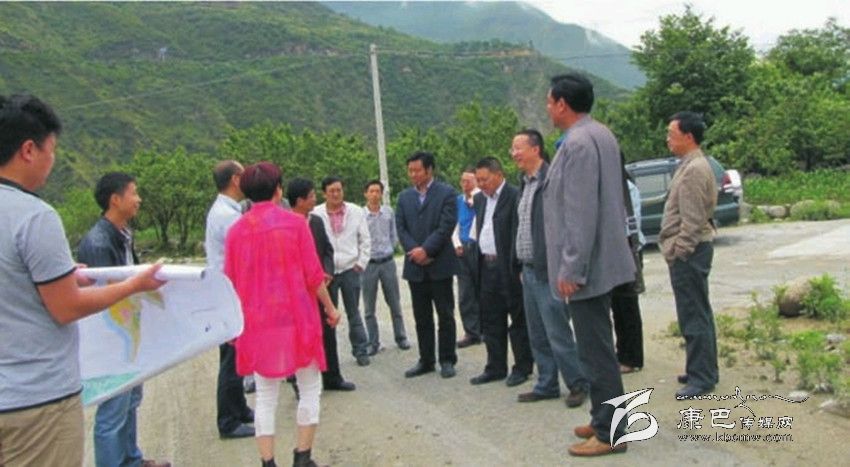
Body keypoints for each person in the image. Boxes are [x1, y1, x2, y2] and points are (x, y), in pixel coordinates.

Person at [0, 94, 164, 467]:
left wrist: (60, 275)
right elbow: (66, 307)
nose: (52, 160)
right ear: (29, 150)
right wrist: (135, 285)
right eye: (51, 150)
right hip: (36, 401)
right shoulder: (34, 216)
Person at [542, 74, 636, 457]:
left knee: (596, 352)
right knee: (598, 348)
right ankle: (603, 417)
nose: (548, 108)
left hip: (589, 266)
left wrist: (571, 268)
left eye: (550, 102)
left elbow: (580, 213)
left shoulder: (578, 143)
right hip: (604, 259)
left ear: (562, 104)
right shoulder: (601, 133)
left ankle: (610, 432)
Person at [224, 162, 341, 467]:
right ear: (278, 190)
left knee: (265, 395)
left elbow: (230, 283)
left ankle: (268, 462)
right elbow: (313, 275)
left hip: (258, 323)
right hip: (298, 319)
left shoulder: (236, 232)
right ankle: (302, 456)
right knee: (310, 387)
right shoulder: (295, 225)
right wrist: (330, 309)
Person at [77, 173, 171, 467]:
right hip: (112, 337)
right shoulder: (98, 242)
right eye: (134, 193)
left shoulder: (122, 234)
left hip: (127, 331)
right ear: (115, 200)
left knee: (130, 401)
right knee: (113, 409)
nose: (138, 199)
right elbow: (102, 295)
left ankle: (131, 459)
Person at [510, 129, 590, 407]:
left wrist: (566, 266)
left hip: (549, 270)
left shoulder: (553, 179)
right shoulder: (524, 183)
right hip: (529, 269)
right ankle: (546, 383)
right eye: (512, 149)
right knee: (537, 333)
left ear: (535, 149)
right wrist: (519, 264)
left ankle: (578, 383)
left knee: (557, 331)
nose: (514, 154)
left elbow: (568, 225)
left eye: (518, 148)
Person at [659, 111, 718, 398]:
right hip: (689, 251)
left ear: (689, 137)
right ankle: (701, 368)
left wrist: (678, 251)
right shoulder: (690, 164)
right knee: (695, 312)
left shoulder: (695, 169)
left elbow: (693, 221)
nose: (668, 139)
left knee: (694, 314)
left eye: (672, 134)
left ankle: (701, 377)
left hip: (690, 253)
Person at [469, 157, 533, 387]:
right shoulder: (479, 199)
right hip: (486, 266)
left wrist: (519, 266)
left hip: (508, 267)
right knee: (491, 319)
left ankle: (522, 366)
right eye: (478, 180)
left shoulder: (514, 195)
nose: (481, 184)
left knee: (517, 318)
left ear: (498, 175)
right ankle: (495, 366)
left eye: (484, 179)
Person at [287, 177, 356, 392]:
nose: (315, 199)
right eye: (311, 196)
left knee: (328, 332)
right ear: (300, 200)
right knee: (301, 336)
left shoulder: (316, 221)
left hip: (323, 286)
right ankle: (300, 381)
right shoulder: (286, 225)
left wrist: (327, 272)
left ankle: (332, 377)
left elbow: (327, 249)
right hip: (300, 291)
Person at [204, 160, 256, 440]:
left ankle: (239, 408)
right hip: (230, 294)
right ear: (236, 179)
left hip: (228, 293)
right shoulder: (228, 216)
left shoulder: (226, 210)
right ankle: (228, 420)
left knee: (236, 355)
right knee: (231, 358)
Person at [395, 151, 459, 379]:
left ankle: (447, 359)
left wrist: (427, 250)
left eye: (417, 170)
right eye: (410, 171)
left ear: (429, 170)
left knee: (445, 315)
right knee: (422, 317)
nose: (413, 174)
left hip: (439, 264)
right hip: (415, 266)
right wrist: (416, 251)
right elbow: (401, 228)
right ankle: (426, 359)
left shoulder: (447, 193)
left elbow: (446, 226)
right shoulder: (404, 197)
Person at [312, 176, 372, 366]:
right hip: (327, 273)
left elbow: (365, 239)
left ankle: (361, 350)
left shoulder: (355, 211)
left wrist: (361, 263)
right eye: (332, 191)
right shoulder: (316, 214)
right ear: (324, 193)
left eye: (339, 190)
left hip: (350, 269)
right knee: (329, 314)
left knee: (354, 312)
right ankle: (330, 356)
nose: (336, 194)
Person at [361, 179, 411, 354]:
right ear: (365, 194)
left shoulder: (388, 212)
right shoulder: (361, 215)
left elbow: (394, 235)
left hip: (387, 262)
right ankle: (373, 342)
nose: (375, 194)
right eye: (371, 191)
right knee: (369, 307)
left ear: (382, 194)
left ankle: (401, 337)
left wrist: (390, 248)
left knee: (394, 302)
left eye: (378, 191)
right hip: (369, 264)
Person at [612, 161, 646, 375]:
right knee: (617, 307)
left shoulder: (626, 188)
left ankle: (632, 357)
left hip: (626, 251)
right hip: (614, 252)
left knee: (627, 307)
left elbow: (630, 224)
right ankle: (622, 353)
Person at [452, 167, 482, 348]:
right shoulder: (458, 201)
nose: (465, 184)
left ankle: (485, 329)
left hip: (479, 248)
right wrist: (456, 244)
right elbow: (454, 224)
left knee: (483, 290)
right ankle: (471, 332)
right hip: (463, 248)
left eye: (469, 181)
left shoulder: (482, 198)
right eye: (463, 181)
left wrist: (475, 200)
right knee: (465, 293)